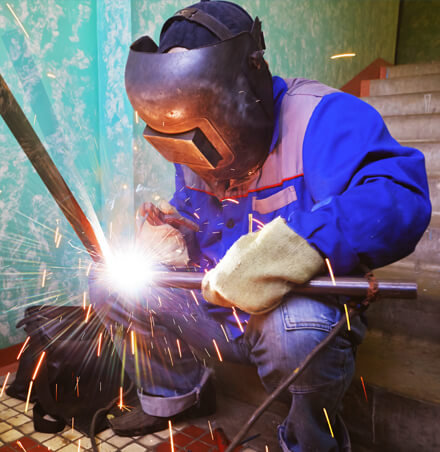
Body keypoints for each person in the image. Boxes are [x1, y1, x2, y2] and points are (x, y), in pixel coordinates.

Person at [89, 1, 431, 450]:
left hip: (290, 316)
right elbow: (198, 212)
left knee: (297, 331)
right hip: (217, 308)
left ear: (247, 81)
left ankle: (309, 439)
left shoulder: (322, 117)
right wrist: (175, 229)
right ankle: (176, 395)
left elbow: (399, 196)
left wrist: (298, 244)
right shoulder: (187, 127)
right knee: (109, 283)